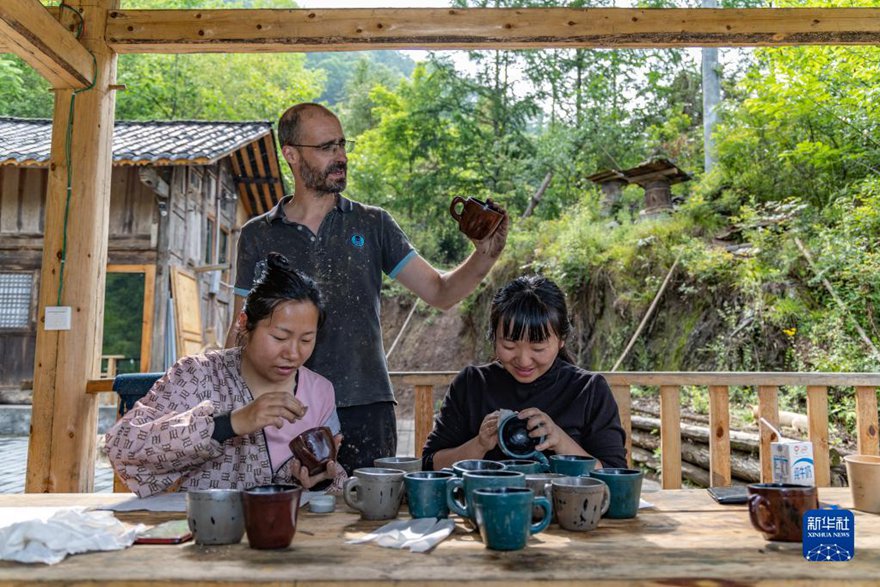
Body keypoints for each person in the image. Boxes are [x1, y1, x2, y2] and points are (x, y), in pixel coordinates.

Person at [226, 103, 509, 473]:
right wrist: (233, 406)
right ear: (291, 154)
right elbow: (240, 332)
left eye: (343, 145)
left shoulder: (373, 224)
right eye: (327, 147)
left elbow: (441, 293)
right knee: (291, 516)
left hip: (367, 406)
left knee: (374, 521)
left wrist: (486, 256)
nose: (341, 156)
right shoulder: (257, 234)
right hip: (283, 408)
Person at [105, 253, 346, 497]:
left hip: (289, 527)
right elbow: (123, 448)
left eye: (306, 339)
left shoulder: (320, 391)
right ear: (244, 323)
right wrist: (231, 423)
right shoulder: (198, 375)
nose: (293, 353)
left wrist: (319, 481)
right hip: (203, 527)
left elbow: (334, 484)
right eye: (280, 338)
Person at [422, 275, 627, 471]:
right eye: (509, 345)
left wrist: (560, 440)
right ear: (494, 336)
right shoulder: (471, 384)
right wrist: (479, 444)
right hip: (486, 507)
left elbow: (614, 473)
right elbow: (430, 464)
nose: (523, 360)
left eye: (538, 348)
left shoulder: (588, 390)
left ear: (561, 339)